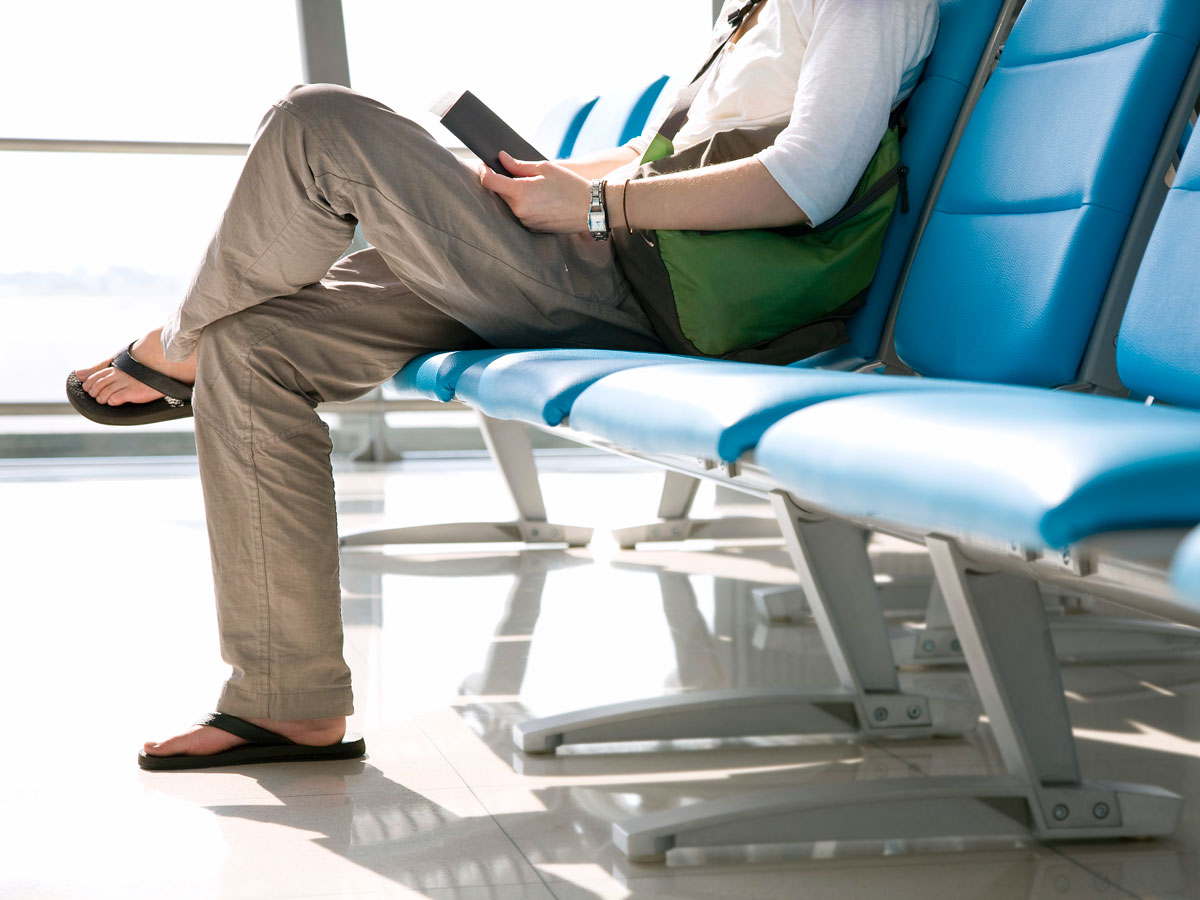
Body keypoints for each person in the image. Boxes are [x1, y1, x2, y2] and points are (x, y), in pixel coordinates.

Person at [69, 0, 938, 768]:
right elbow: (650, 154)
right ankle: (286, 700)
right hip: (610, 259)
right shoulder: (751, 11)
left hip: (659, 293)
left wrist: (598, 210)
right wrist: (544, 186)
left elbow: (808, 181)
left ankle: (175, 342)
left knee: (318, 120)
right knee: (251, 350)